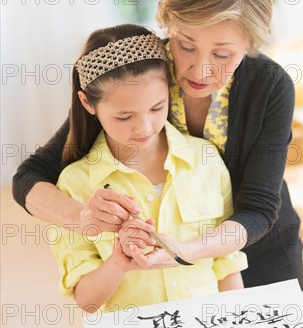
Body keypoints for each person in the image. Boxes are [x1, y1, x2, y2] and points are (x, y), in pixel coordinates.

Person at [13, 0, 303, 290]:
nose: (200, 70)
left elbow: (258, 208)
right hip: (173, 282)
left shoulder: (269, 85)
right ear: (168, 24)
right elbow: (29, 178)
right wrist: (83, 218)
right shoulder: (140, 73)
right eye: (185, 46)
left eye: (223, 55)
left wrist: (186, 251)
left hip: (264, 254)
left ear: (250, 45)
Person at [50, 23, 246, 313]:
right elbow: (86, 300)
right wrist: (117, 264)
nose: (144, 127)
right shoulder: (74, 183)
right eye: (124, 116)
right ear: (87, 103)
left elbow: (227, 265)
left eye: (157, 107)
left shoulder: (205, 159)